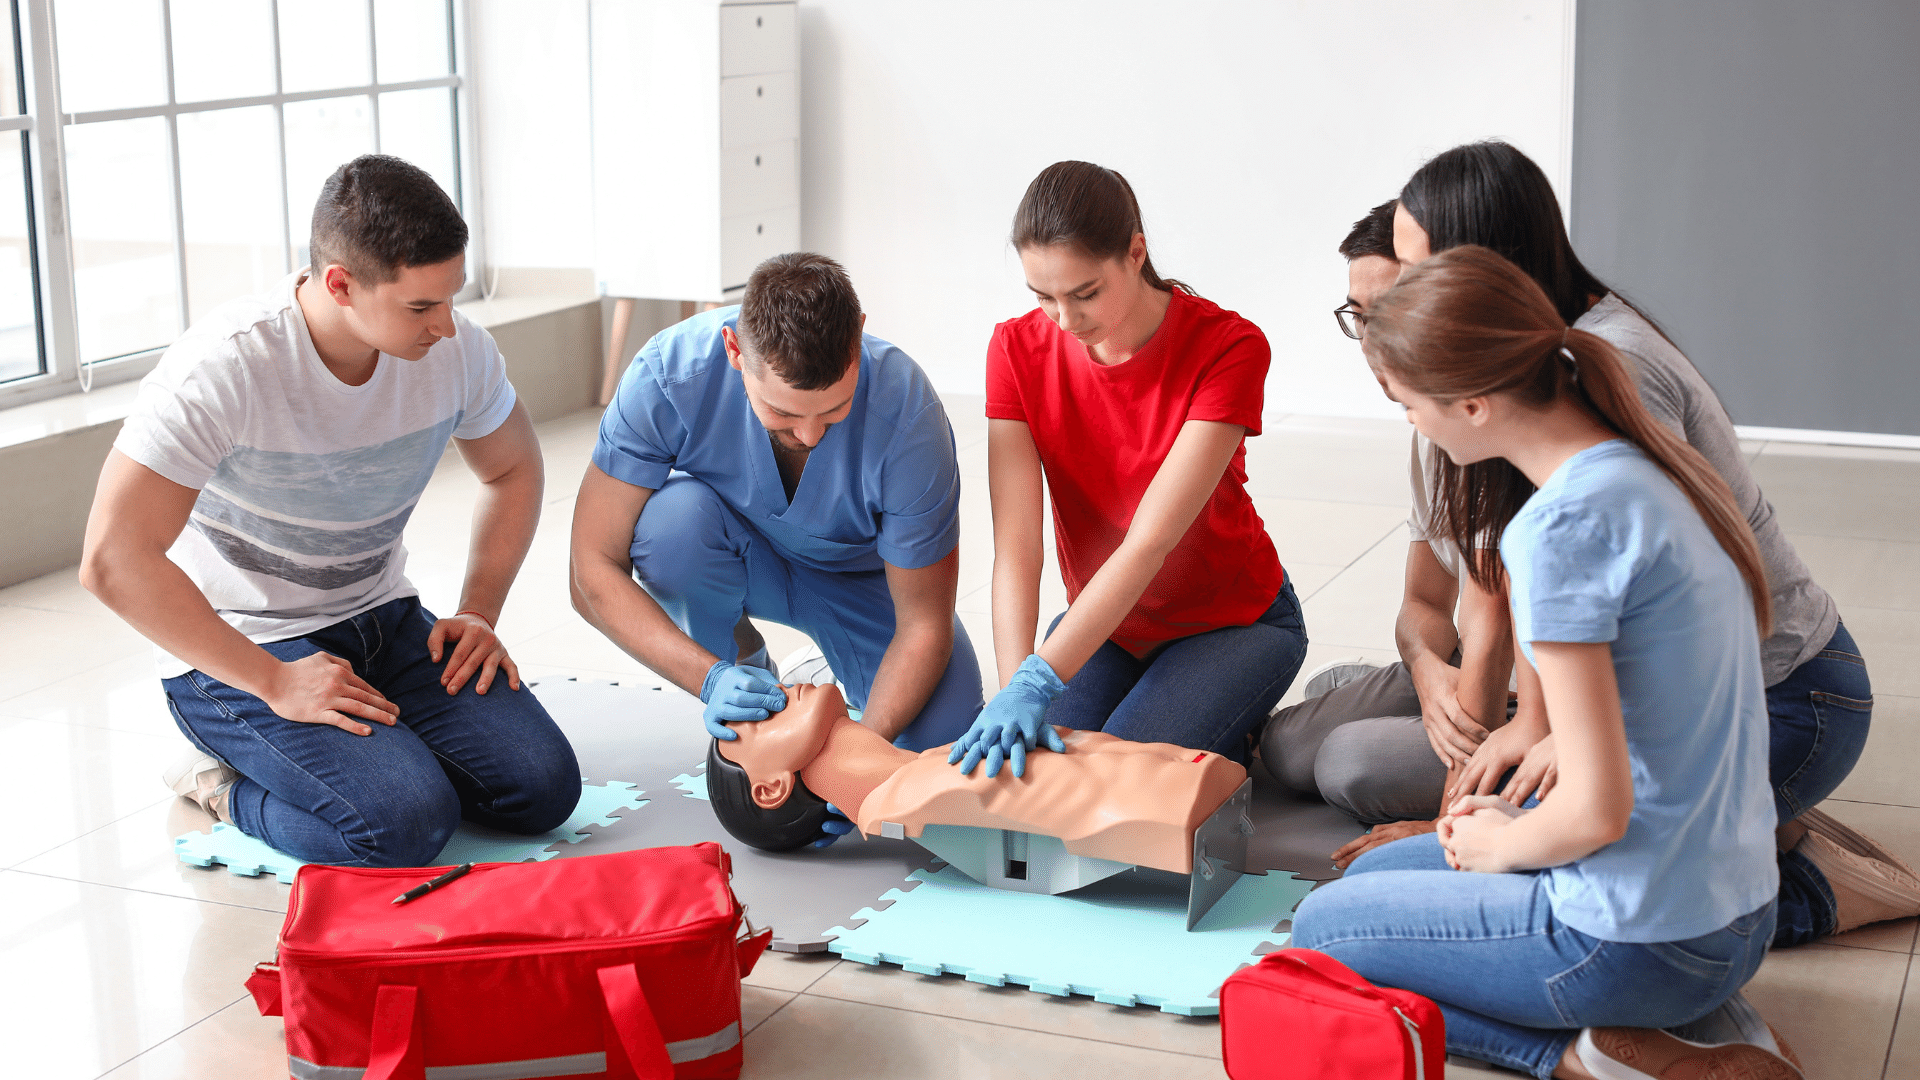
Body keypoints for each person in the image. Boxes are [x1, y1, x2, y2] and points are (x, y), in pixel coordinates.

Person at [1318, 141, 1918, 946]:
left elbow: (1677, 608)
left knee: (1523, 862)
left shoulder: (1602, 379)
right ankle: (1767, 828)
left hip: (1783, 699)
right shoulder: (1543, 377)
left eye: (1420, 269)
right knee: (1432, 802)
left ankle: (1815, 880)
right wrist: (1524, 733)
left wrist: (1492, 808)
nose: (1406, 295)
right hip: (1680, 697)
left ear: (1487, 268)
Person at [1292, 244, 1799, 1079]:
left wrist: (1507, 846)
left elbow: (1597, 812)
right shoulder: (1650, 472)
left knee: (1321, 933)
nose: (1410, 422)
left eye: (1410, 403)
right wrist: (1506, 832)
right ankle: (1720, 1027)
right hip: (1735, 914)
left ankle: (1592, 1056)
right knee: (1384, 870)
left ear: (1475, 403)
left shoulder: (1557, 532)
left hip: (1635, 939)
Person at [83, 155, 582, 868]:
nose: (446, 326)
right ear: (341, 284)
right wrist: (273, 681)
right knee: (403, 827)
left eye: (450, 299)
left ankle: (374, 758)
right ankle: (223, 787)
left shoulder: (457, 348)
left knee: (543, 790)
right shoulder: (224, 366)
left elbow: (512, 468)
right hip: (244, 648)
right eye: (420, 306)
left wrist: (478, 610)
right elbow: (111, 559)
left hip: (381, 617)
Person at [949, 161, 1307, 780]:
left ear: (1136, 252)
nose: (1064, 319)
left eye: (1084, 293)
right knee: (1034, 774)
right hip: (1108, 625)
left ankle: (1242, 729)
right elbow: (1017, 548)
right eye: (1043, 297)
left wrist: (1043, 677)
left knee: (1113, 781)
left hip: (1233, 621)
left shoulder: (1229, 346)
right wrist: (1015, 688)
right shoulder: (1014, 350)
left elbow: (1149, 542)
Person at [571, 253, 981, 756]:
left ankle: (825, 671)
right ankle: (748, 671)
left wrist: (860, 755)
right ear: (734, 350)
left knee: (943, 740)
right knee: (669, 528)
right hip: (734, 553)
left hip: (864, 582)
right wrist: (710, 678)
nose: (809, 434)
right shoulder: (667, 377)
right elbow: (590, 570)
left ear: (859, 338)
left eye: (834, 411)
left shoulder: (909, 415)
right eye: (782, 413)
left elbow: (923, 623)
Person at [1260, 200, 1520, 835]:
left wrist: (1446, 825)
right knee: (1286, 749)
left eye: (1394, 314)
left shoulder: (1492, 427)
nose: (1374, 344)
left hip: (1551, 704)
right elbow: (1424, 600)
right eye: (1360, 317)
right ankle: (1405, 700)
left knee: (1347, 762)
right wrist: (1429, 676)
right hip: (1478, 675)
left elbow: (1491, 624)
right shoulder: (1430, 429)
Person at [709, 681, 1246, 877]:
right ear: (771, 787)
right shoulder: (929, 792)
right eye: (754, 721)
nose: (773, 693)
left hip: (1188, 778)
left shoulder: (932, 765)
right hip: (1183, 796)